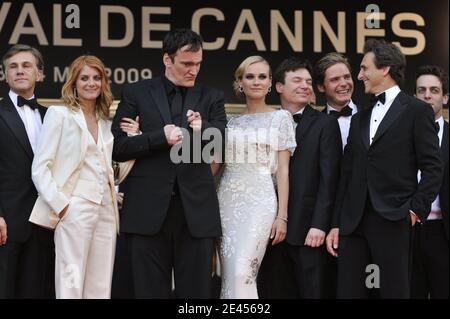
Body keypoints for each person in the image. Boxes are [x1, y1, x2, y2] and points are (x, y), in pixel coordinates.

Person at [111, 29, 227, 298]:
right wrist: (157, 138)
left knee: (196, 296)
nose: (193, 70)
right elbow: (117, 146)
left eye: (198, 64)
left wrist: (203, 128)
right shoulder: (136, 92)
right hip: (146, 211)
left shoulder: (212, 97)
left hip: (196, 213)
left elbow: (223, 142)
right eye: (187, 63)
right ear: (167, 59)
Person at [334, 39, 443, 298]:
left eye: (364, 68)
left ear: (384, 69)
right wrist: (336, 222)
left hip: (394, 218)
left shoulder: (416, 110)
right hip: (353, 221)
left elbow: (433, 166)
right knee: (349, 292)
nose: (359, 76)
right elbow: (347, 174)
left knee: (393, 292)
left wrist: (416, 209)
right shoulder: (360, 117)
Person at [29, 55, 137, 299]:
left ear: (103, 82)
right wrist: (63, 206)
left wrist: (134, 140)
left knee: (100, 285)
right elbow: (40, 167)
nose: (91, 83)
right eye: (84, 78)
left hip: (107, 211)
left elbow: (115, 172)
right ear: (74, 83)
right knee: (71, 282)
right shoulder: (60, 114)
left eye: (96, 78)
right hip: (74, 207)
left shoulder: (106, 123)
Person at [216, 55, 296, 299]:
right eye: (249, 77)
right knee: (229, 275)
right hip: (225, 202)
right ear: (240, 82)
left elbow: (283, 170)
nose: (256, 82)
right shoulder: (229, 123)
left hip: (260, 203)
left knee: (243, 272)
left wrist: (282, 216)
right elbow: (215, 166)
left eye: (262, 76)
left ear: (271, 82)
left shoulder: (281, 118)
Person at [0, 44, 54, 299]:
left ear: (40, 74)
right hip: (5, 224)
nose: (20, 71)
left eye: (26, 65)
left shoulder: (53, 116)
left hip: (44, 224)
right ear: (5, 75)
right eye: (13, 67)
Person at [314, 52, 360, 298]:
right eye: (335, 80)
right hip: (323, 221)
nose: (344, 83)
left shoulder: (371, 117)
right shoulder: (314, 124)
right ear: (321, 86)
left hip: (363, 218)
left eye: (347, 76)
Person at [411, 65, 449, 299]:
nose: (427, 95)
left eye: (434, 90)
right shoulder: (398, 137)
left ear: (445, 97)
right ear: (414, 96)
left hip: (443, 234)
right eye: (421, 90)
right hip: (407, 231)